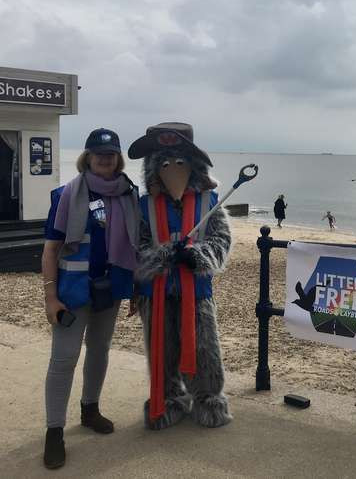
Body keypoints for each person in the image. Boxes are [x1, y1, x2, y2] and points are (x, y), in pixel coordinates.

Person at [41, 128, 139, 469]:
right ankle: (54, 432)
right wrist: (50, 297)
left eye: (110, 152)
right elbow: (51, 250)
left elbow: (136, 247)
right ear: (87, 156)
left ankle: (90, 409)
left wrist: (136, 289)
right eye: (98, 152)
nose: (104, 157)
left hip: (111, 289)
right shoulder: (65, 194)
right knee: (63, 360)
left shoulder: (130, 195)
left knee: (100, 349)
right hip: (73, 292)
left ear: (118, 158)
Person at [128, 122, 233, 430]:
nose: (171, 169)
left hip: (197, 292)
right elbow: (136, 246)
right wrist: (160, 257)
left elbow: (221, 241)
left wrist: (198, 255)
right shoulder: (144, 206)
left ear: (192, 165)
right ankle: (167, 398)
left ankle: (208, 398)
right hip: (156, 294)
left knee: (204, 348)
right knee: (161, 349)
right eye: (163, 163)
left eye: (178, 162)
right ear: (152, 169)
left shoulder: (208, 203)